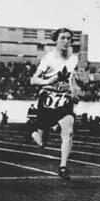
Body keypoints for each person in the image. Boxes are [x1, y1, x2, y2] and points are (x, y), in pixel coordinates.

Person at [30, 28, 80, 180]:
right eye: (63, 38)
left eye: (68, 39)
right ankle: (35, 135)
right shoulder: (48, 58)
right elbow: (33, 80)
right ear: (56, 40)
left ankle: (63, 167)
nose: (66, 41)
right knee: (42, 142)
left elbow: (71, 78)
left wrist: (74, 92)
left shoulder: (74, 59)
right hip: (47, 100)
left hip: (64, 99)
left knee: (69, 131)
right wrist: (47, 81)